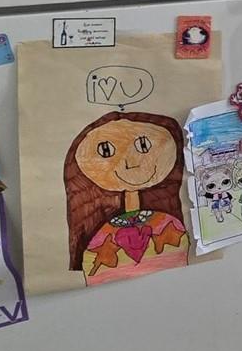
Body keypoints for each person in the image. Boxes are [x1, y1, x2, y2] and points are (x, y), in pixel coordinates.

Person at [63, 111, 189, 285]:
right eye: (105, 150)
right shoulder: (98, 237)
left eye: (143, 145)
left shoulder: (169, 225)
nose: (131, 162)